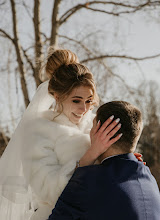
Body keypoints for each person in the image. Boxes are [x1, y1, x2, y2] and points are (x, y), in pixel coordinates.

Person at [0, 48, 121, 220]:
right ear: (57, 96)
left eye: (88, 101)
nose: (84, 109)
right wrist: (92, 153)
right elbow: (50, 191)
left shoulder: (95, 124)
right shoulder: (38, 131)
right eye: (76, 100)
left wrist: (124, 162)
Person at [49, 101, 160, 220]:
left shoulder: (90, 181)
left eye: (92, 126)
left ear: (101, 131)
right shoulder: (149, 179)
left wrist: (84, 164)